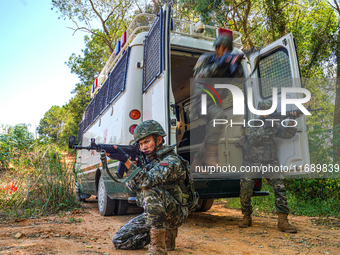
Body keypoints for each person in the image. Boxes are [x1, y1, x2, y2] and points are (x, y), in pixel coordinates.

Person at [110, 120, 197, 254]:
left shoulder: (171, 161)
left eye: (146, 142)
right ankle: (165, 236)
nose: (143, 147)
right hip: (155, 214)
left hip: (175, 212)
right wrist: (131, 166)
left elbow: (147, 182)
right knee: (119, 240)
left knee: (150, 190)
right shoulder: (148, 160)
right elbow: (132, 186)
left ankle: (158, 249)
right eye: (140, 144)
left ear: (159, 139)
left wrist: (126, 161)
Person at [239, 99, 298, 233]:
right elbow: (253, 139)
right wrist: (265, 126)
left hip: (270, 162)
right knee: (245, 191)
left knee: (280, 189)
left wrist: (291, 120)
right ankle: (246, 216)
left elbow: (288, 134)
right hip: (251, 162)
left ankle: (283, 221)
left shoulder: (274, 125)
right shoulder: (251, 124)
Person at [191, 34, 244, 169]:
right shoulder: (206, 58)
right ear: (216, 48)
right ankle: (212, 156)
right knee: (219, 116)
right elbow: (199, 74)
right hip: (201, 100)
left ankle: (198, 159)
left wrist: (236, 66)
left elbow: (240, 81)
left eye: (227, 49)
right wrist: (219, 64)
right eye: (222, 48)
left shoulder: (228, 62)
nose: (224, 51)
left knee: (216, 124)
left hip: (215, 102)